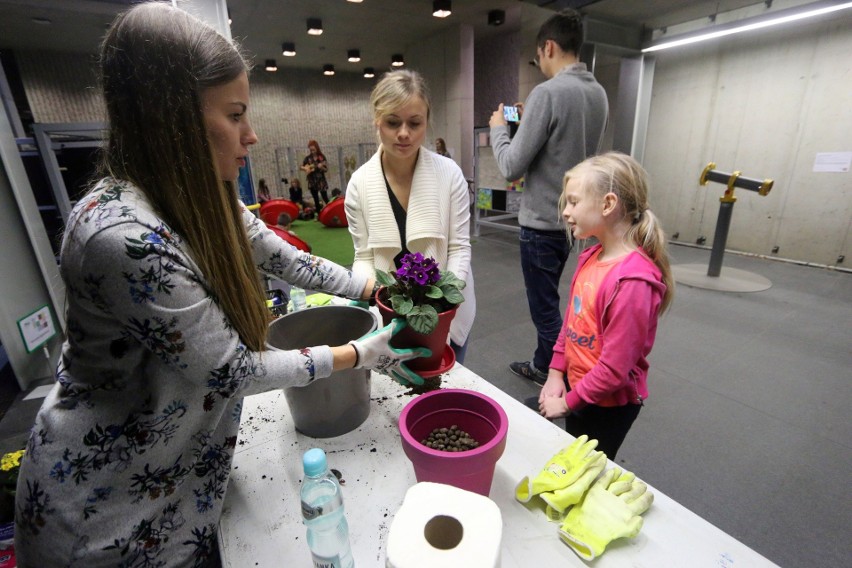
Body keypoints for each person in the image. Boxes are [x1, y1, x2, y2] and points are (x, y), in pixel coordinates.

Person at [13, 4, 427, 566]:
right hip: (107, 518)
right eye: (235, 114)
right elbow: (230, 369)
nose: (251, 134)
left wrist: (370, 289)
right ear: (173, 118)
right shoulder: (120, 236)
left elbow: (293, 262)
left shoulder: (205, 197)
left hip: (182, 486)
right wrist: (357, 353)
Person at [489, 8, 608, 387]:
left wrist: (498, 130)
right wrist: (529, 123)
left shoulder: (548, 92)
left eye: (538, 56)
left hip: (540, 223)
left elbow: (511, 166)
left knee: (545, 310)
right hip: (574, 222)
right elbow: (563, 149)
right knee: (556, 300)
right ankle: (544, 363)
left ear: (550, 47)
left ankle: (564, 376)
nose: (539, 63)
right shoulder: (597, 93)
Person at [537, 152, 674, 459]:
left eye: (573, 202)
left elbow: (614, 370)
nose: (566, 212)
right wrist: (556, 373)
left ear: (608, 204)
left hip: (608, 407)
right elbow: (571, 324)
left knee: (589, 468)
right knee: (574, 453)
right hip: (579, 389)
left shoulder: (633, 283)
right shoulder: (590, 258)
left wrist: (568, 403)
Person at [345, 70, 476, 363]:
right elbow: (364, 255)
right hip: (389, 312)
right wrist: (367, 298)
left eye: (414, 123)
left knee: (444, 391)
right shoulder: (359, 183)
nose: (404, 133)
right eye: (393, 122)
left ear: (426, 123)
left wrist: (443, 308)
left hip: (447, 314)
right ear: (377, 120)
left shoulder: (449, 174)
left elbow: (458, 248)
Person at [300, 139, 330, 210]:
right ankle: (319, 215)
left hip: (321, 180)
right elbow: (301, 166)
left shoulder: (321, 157)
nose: (312, 152)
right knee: (315, 199)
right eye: (311, 150)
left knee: (325, 197)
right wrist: (306, 169)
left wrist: (321, 167)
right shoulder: (308, 158)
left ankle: (331, 212)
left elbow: (326, 169)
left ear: (317, 148)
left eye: (313, 150)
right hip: (312, 181)